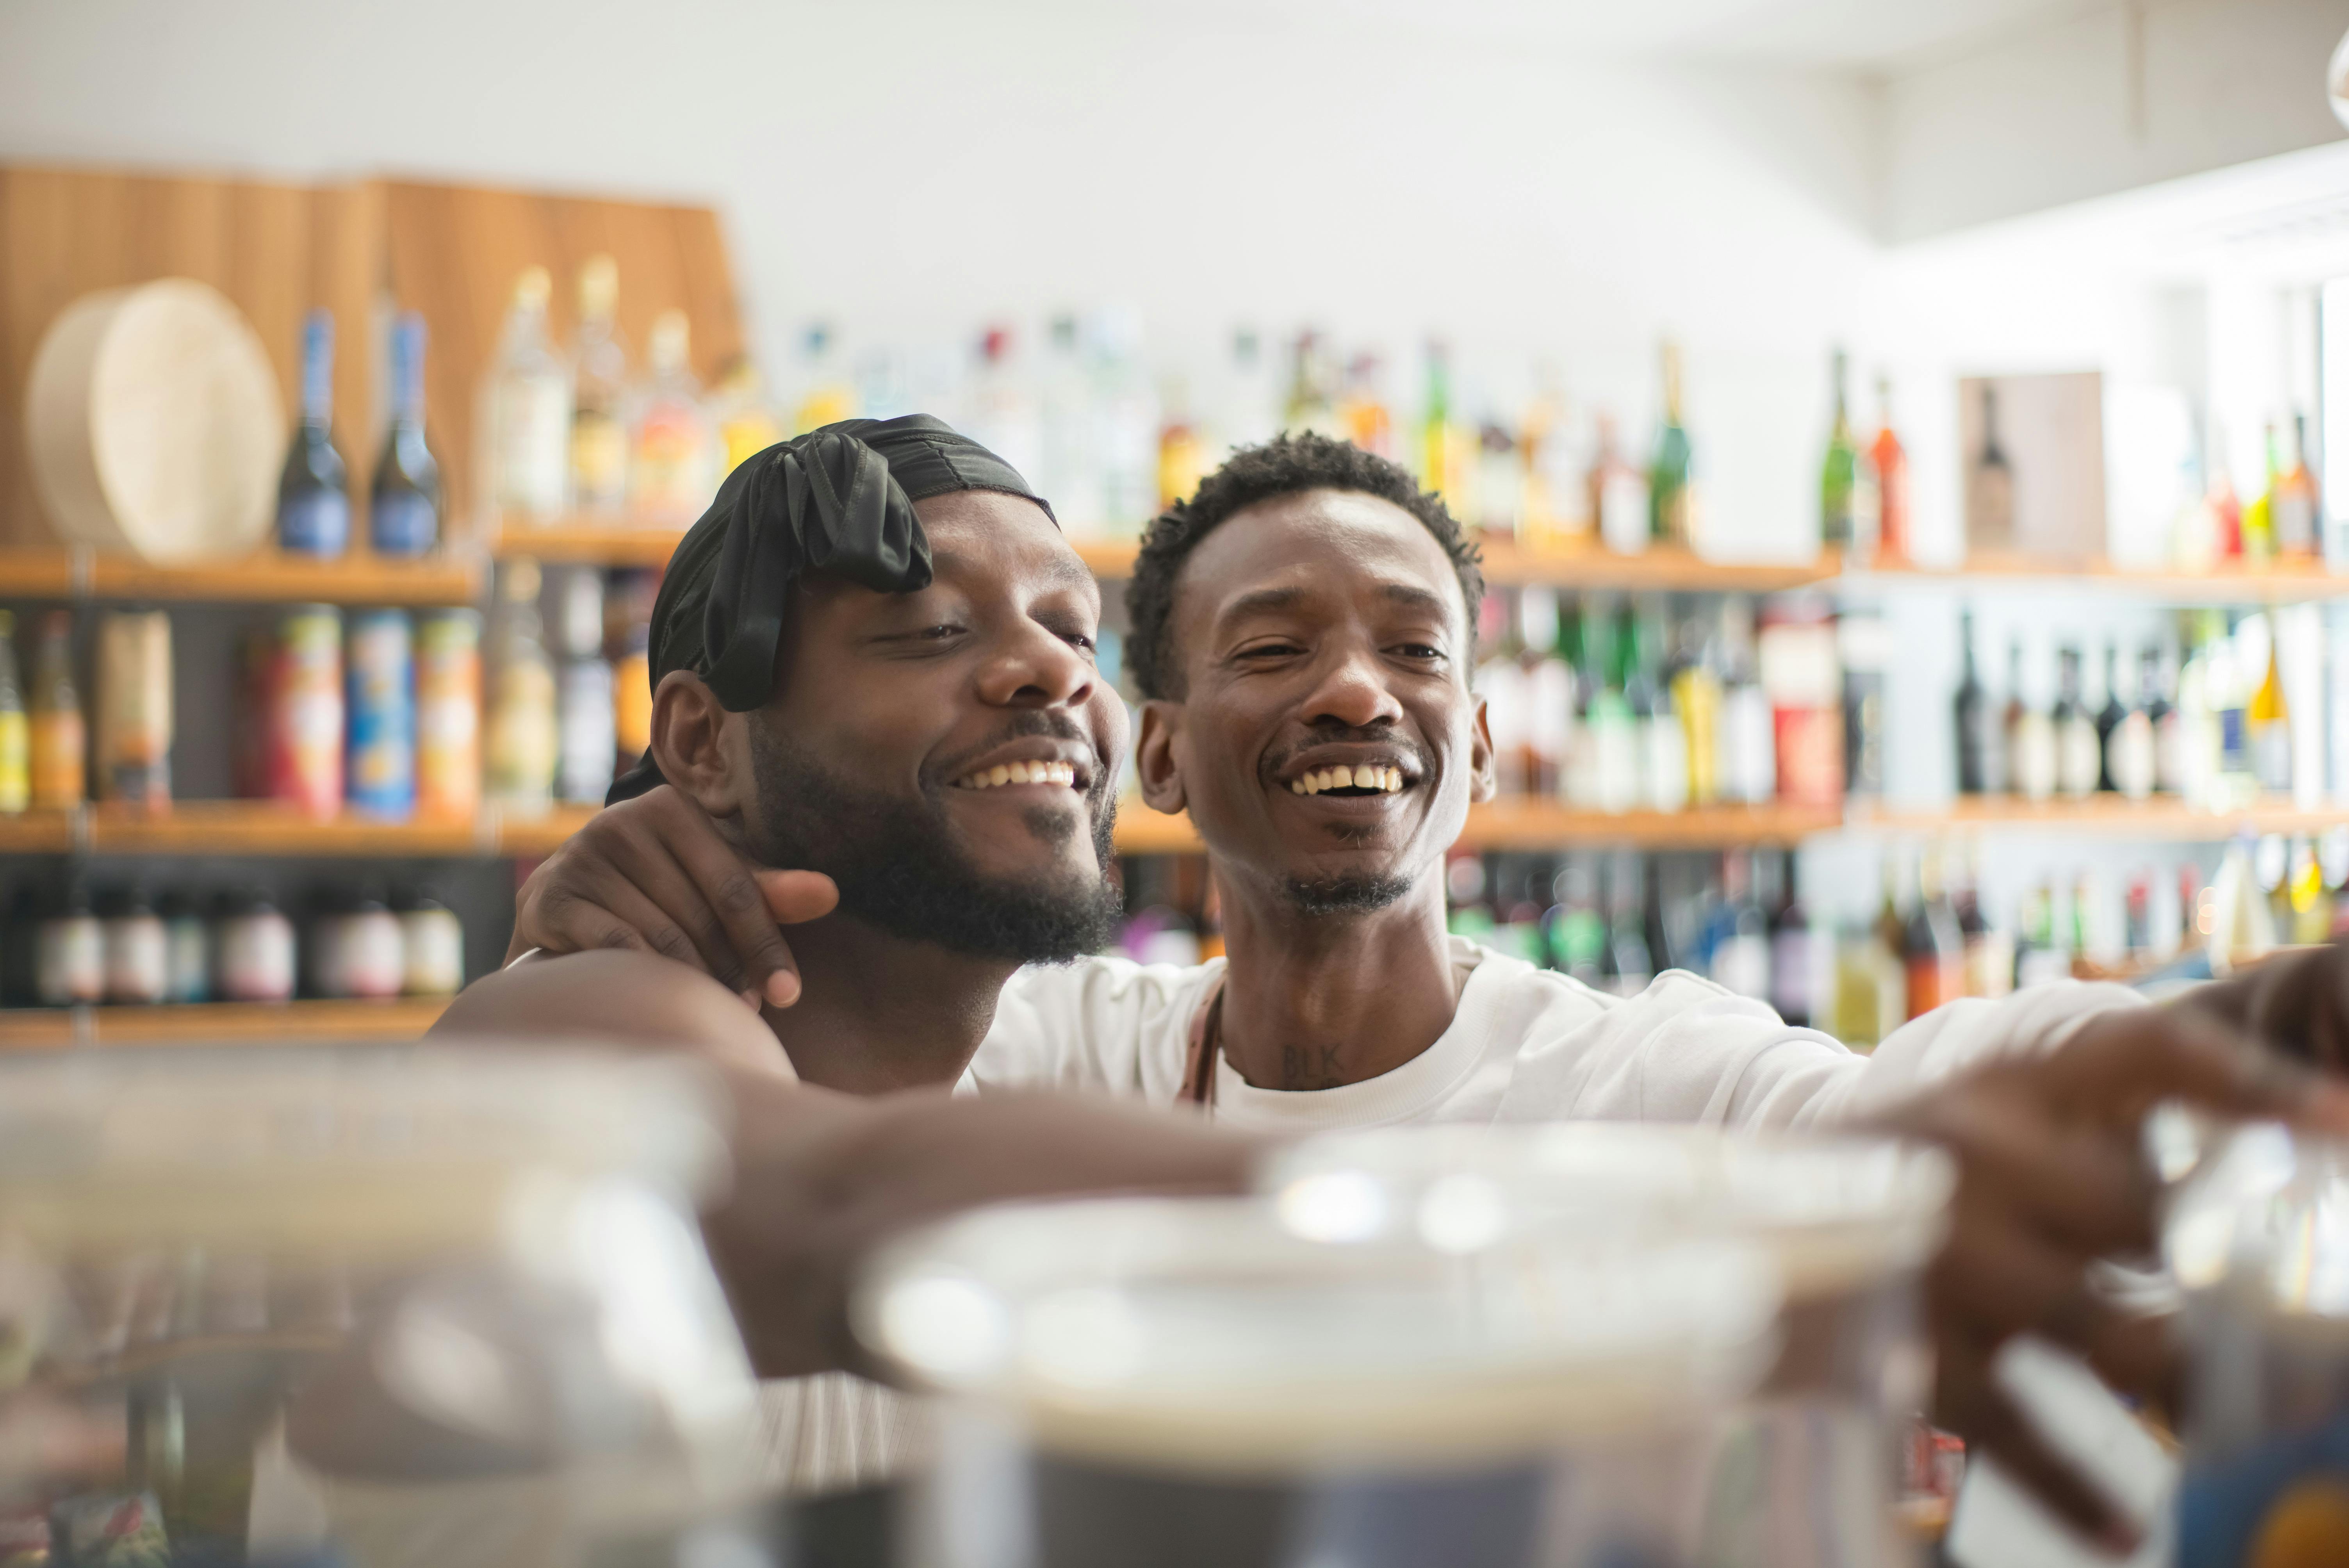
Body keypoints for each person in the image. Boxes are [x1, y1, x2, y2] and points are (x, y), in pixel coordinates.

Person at [465, 430, 2349, 1552]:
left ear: (1479, 749)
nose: (1357, 690)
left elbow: (1962, 1073)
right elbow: (812, 1187)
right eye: (1271, 644)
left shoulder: (1631, 1070)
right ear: (1175, 757)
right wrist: (1755, 1261)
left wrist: (2281, 1018)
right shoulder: (1028, 1050)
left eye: (1413, 648)